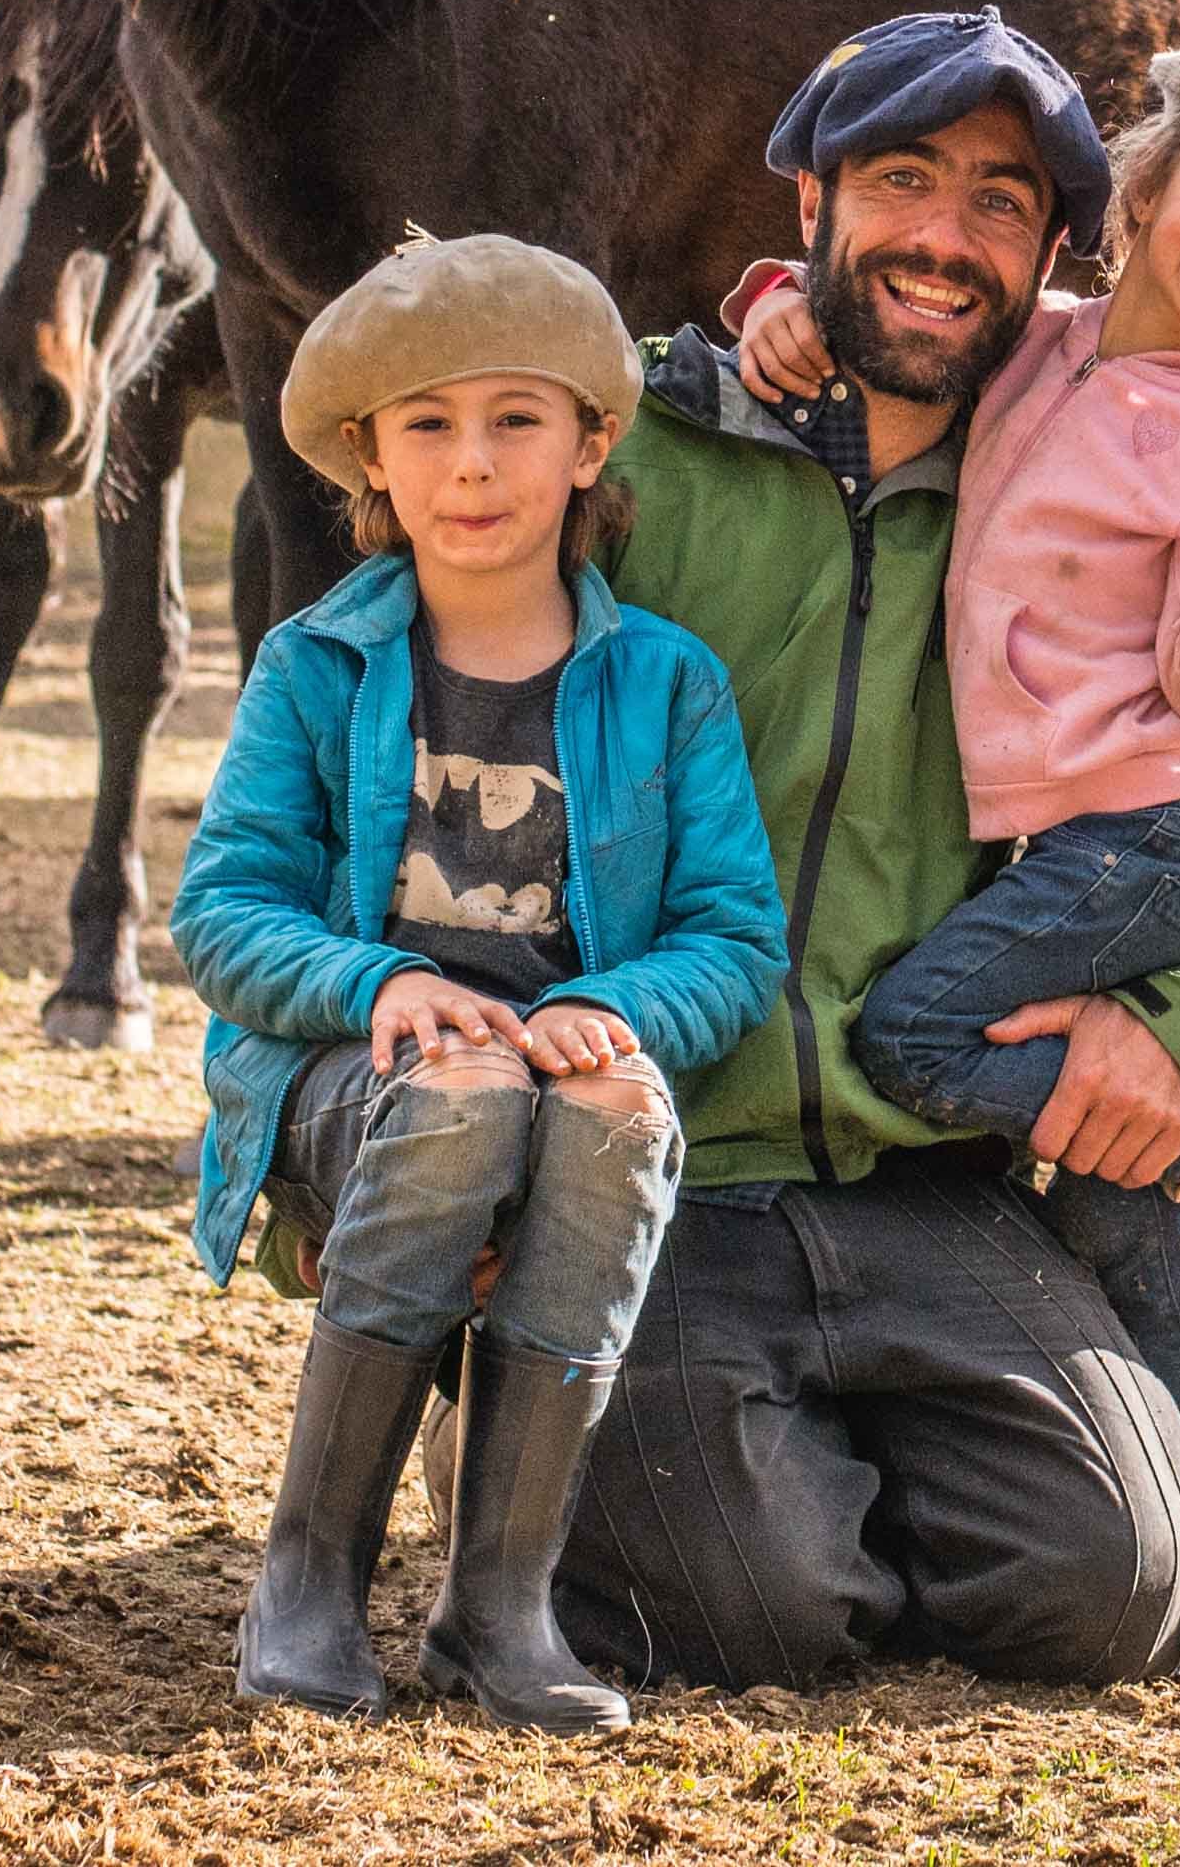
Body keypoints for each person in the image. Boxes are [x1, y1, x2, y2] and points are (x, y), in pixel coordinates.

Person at [555, 9, 1180, 1686]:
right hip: (672, 1177)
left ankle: (833, 1469)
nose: (943, 237)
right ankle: (612, 1449)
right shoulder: (639, 462)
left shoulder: (1086, 474)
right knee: (766, 1617)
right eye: (902, 181)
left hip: (935, 1174)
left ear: (1055, 255)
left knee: (1118, 1598)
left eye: (998, 202)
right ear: (812, 210)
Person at [724, 42, 1180, 1629]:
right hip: (1093, 837)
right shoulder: (1051, 347)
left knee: (916, 1031)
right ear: (1150, 191)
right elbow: (900, 324)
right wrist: (775, 306)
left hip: (1173, 828)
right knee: (1104, 1199)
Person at [173, 233, 788, 1732]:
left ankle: (498, 1606)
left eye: (518, 420)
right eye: (429, 426)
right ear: (370, 462)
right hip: (351, 1084)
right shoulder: (315, 665)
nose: (474, 465)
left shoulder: (669, 684)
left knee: (616, 1119)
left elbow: (736, 937)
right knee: (458, 1094)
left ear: (589, 446)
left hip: (556, 1078)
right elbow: (224, 907)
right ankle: (308, 1579)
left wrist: (625, 1005)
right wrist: (373, 980)